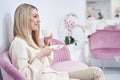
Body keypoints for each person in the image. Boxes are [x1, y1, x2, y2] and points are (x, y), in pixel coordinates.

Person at [9, 3, 105, 80]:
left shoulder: (31, 40)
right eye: (35, 16)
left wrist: (46, 44)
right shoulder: (18, 43)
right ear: (24, 19)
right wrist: (41, 54)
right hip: (50, 77)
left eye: (38, 17)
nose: (39, 20)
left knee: (97, 72)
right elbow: (24, 77)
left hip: (55, 75)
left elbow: (47, 63)